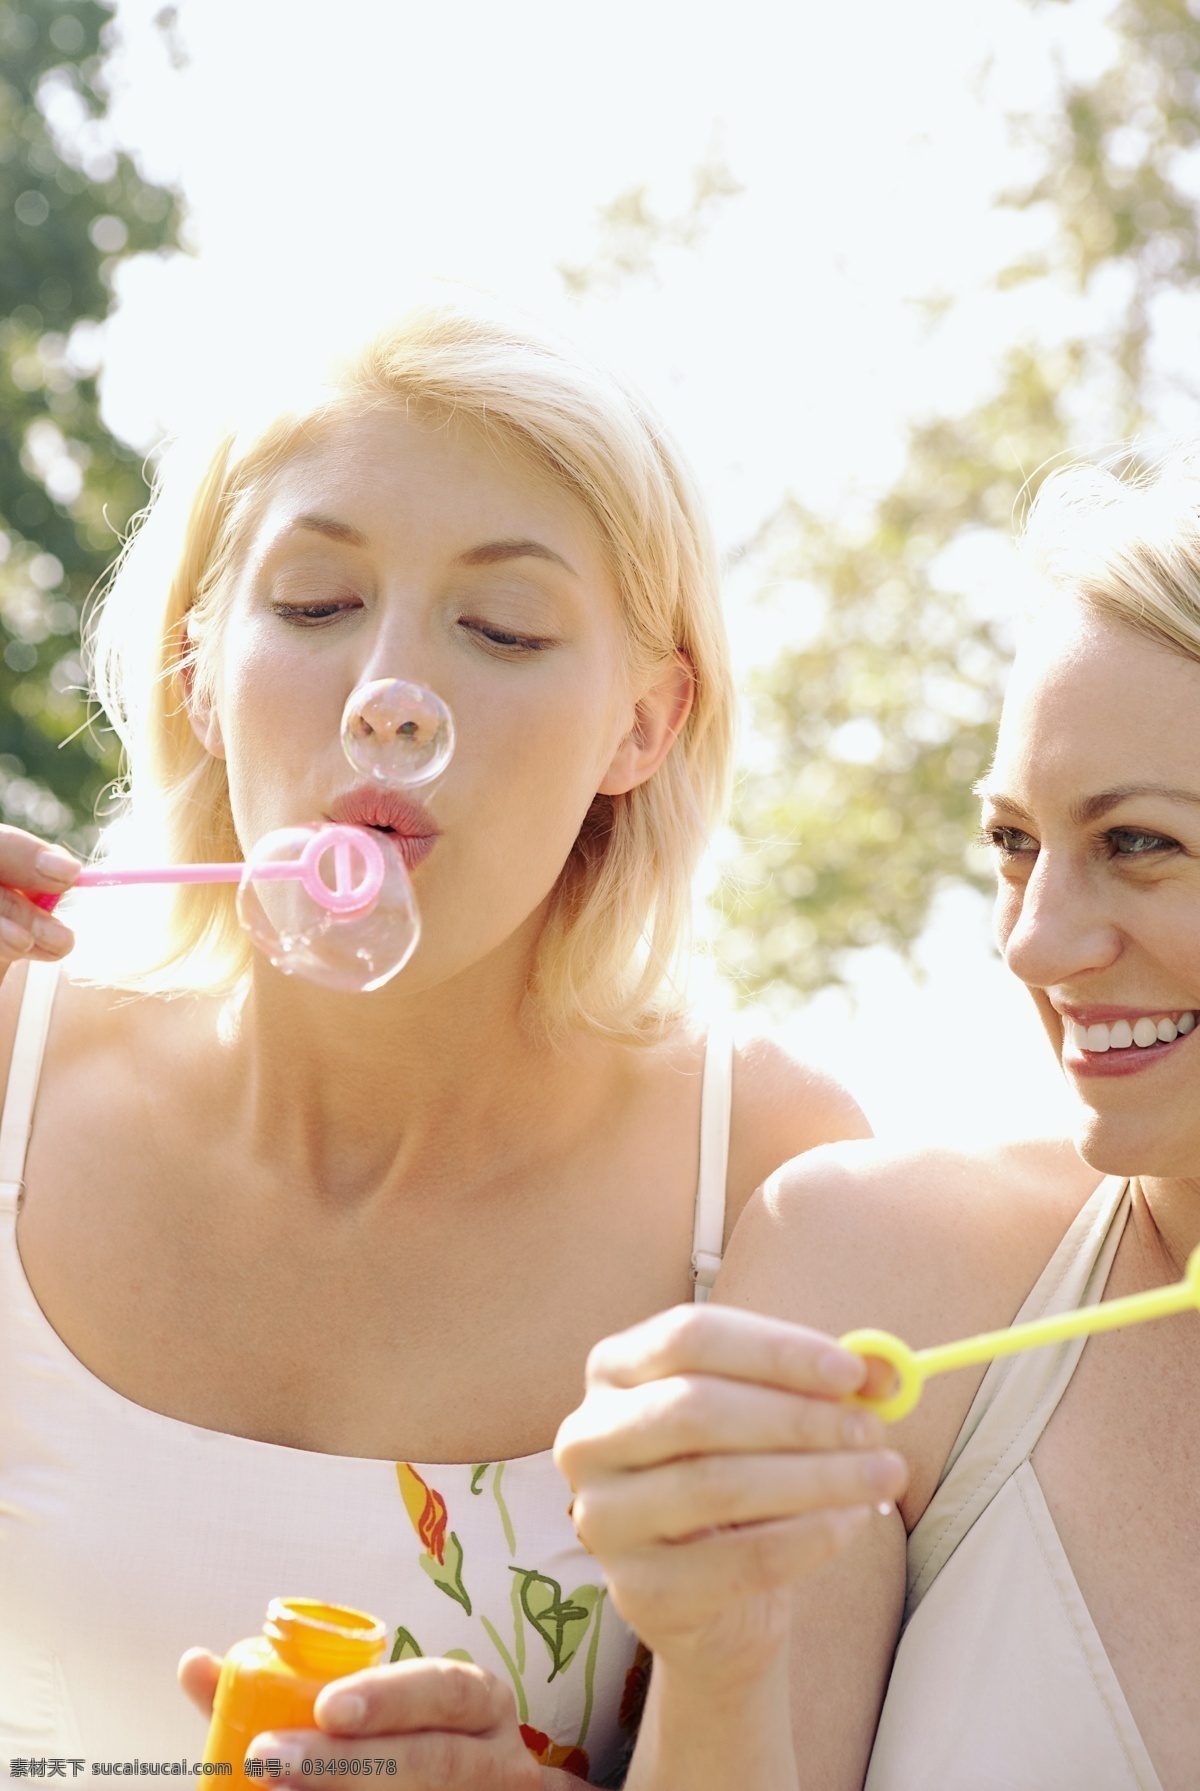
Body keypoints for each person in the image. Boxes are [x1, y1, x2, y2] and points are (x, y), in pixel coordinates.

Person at [0, 305, 900, 1789]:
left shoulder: (772, 1180)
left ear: (645, 725)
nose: (384, 702)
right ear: (192, 675)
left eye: (502, 629)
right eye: (310, 606)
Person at [562, 455, 1200, 1789]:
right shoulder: (881, 1282)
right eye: (1015, 842)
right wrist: (721, 1662)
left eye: (1138, 841)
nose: (1036, 945)